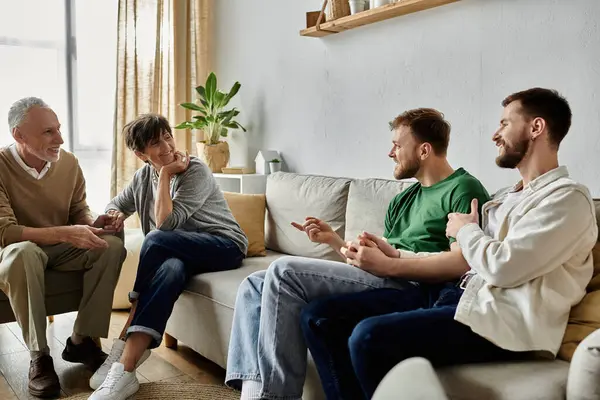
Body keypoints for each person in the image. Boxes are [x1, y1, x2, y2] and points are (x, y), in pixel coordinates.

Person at [301, 88, 597, 399]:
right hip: (457, 295)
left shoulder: (567, 198)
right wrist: (396, 253)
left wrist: (466, 231)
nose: (495, 135)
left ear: (536, 128)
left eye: (505, 124)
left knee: (368, 336)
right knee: (320, 317)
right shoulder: (511, 197)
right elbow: (471, 262)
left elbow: (504, 266)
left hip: (499, 322)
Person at [225, 108, 491, 400]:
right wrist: (334, 241)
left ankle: (275, 397)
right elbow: (372, 263)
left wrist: (388, 264)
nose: (391, 153)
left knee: (283, 271)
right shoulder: (403, 199)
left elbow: (462, 263)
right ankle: (252, 393)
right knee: (253, 285)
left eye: (398, 145)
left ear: (424, 150)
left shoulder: (463, 189)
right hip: (383, 275)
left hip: (416, 286)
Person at [88, 113, 248, 400]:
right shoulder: (141, 177)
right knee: (171, 269)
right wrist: (114, 214)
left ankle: (125, 334)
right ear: (140, 154)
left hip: (224, 246)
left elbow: (165, 225)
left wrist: (165, 174)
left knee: (157, 239)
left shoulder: (194, 169)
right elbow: (117, 203)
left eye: (167, 137)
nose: (167, 146)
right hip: (183, 253)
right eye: (155, 143)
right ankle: (125, 371)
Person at [0, 97, 126, 398]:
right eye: (48, 132)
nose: (60, 139)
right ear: (19, 135)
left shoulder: (68, 163)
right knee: (25, 252)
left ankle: (81, 342)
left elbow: (77, 209)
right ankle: (39, 357)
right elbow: (4, 232)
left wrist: (93, 223)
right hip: (14, 252)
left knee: (110, 246)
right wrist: (68, 233)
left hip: (59, 248)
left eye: (58, 129)